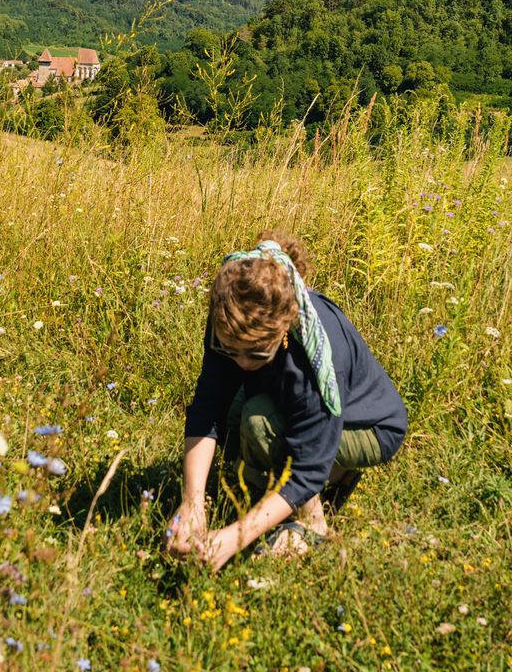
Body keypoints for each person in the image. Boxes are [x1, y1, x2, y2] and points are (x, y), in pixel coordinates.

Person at [167, 232, 407, 570]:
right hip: (299, 401)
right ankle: (327, 475)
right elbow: (208, 406)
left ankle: (313, 523)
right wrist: (192, 503)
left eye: (256, 353)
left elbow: (307, 469)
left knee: (257, 421)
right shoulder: (232, 317)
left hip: (369, 426)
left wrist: (235, 538)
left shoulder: (315, 357)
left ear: (284, 330)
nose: (240, 362)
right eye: (229, 351)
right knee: (234, 421)